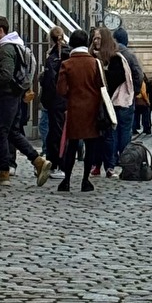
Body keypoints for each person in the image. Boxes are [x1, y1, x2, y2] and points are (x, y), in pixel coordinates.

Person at [0, 15, 52, 187]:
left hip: (5, 95)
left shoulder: (5, 48)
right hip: (14, 95)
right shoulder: (13, 44)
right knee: (13, 132)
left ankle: (4, 172)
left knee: (1, 132)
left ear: (1, 30)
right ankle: (37, 161)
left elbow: (5, 74)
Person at [55, 29, 102, 192]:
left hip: (74, 108)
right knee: (90, 146)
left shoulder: (67, 64)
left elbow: (61, 90)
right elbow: (102, 86)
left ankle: (66, 180)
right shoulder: (95, 63)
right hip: (92, 109)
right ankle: (85, 180)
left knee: (72, 146)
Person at [90, 26, 130, 177]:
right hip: (95, 101)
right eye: (94, 38)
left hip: (109, 102)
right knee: (95, 135)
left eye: (99, 38)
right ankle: (96, 164)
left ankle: (110, 165)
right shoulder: (91, 56)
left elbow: (115, 79)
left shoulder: (115, 59)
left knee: (109, 135)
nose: (96, 41)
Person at [39, 26, 69, 179]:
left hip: (55, 100)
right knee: (62, 132)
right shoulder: (68, 53)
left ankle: (56, 164)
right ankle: (61, 164)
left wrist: (45, 98)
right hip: (67, 99)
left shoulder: (53, 57)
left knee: (54, 133)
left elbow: (50, 82)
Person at [134, 71, 152, 136]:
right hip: (143, 102)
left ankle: (135, 129)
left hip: (136, 102)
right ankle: (146, 129)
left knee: (136, 116)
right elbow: (144, 93)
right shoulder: (144, 83)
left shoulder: (135, 82)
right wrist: (148, 101)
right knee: (146, 116)